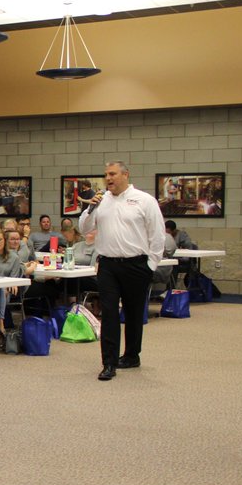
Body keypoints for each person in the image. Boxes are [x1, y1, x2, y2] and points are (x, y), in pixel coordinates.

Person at [80, 161, 164, 380]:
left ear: (125, 175)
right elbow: (84, 228)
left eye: (113, 174)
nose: (108, 178)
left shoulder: (145, 201)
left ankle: (132, 355)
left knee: (134, 313)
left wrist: (151, 265)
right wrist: (90, 208)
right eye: (106, 174)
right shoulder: (101, 202)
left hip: (137, 265)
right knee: (109, 313)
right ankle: (109, 363)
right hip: (108, 265)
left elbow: (157, 235)